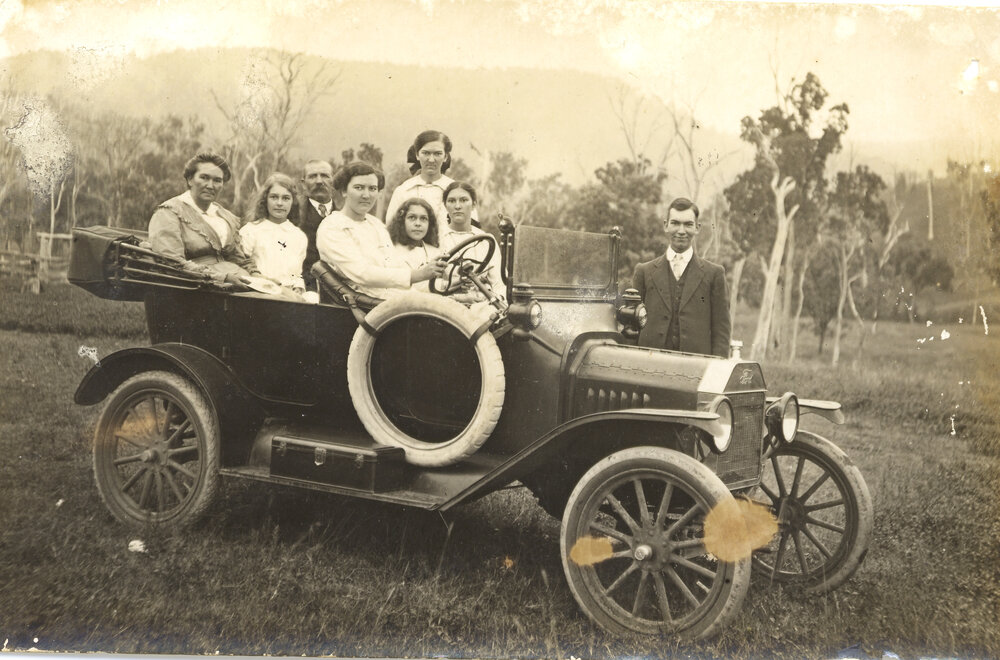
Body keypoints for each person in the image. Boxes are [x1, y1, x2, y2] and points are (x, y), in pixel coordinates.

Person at [316, 161, 446, 299]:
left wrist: (440, 279)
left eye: (372, 189)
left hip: (395, 298)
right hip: (367, 306)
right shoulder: (332, 227)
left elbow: (396, 267)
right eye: (359, 188)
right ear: (343, 191)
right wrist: (419, 274)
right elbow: (362, 273)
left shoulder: (376, 224)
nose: (366, 195)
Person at [632, 197, 731, 358]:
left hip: (696, 370)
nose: (681, 230)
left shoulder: (715, 274)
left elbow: (721, 331)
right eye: (675, 223)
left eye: (688, 224)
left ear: (697, 228)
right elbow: (631, 328)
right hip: (649, 367)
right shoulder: (644, 271)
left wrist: (716, 370)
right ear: (666, 225)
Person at [148, 152, 260, 288]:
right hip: (194, 285)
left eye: (217, 180)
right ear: (190, 180)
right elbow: (170, 261)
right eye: (204, 178)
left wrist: (257, 276)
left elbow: (238, 258)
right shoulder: (168, 213)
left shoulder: (225, 216)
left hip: (236, 279)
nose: (210, 185)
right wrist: (221, 277)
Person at [384, 130, 478, 235]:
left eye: (438, 154)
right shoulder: (403, 191)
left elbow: (472, 232)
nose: (431, 159)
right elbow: (390, 232)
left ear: (446, 157)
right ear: (417, 155)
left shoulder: (457, 192)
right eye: (426, 153)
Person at [240, 173, 308, 295]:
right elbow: (241, 264)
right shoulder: (251, 230)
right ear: (265, 200)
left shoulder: (299, 236)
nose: (280, 203)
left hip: (290, 294)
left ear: (293, 202)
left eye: (286, 198)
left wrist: (298, 286)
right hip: (259, 292)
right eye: (274, 197)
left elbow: (297, 273)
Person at [438, 181, 505, 303]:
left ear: (474, 205)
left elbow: (499, 284)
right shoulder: (435, 238)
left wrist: (496, 301)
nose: (457, 206)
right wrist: (455, 287)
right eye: (452, 201)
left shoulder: (486, 240)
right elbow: (428, 283)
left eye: (464, 200)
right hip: (447, 305)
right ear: (445, 205)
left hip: (483, 304)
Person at [387, 198, 443, 292]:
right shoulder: (392, 251)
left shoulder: (435, 252)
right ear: (402, 221)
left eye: (423, 219)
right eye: (412, 217)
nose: (418, 224)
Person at [297, 159, 335, 290]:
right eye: (313, 176)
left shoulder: (344, 215)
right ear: (303, 184)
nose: (319, 181)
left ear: (333, 181)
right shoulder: (294, 214)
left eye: (324, 175)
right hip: (304, 285)